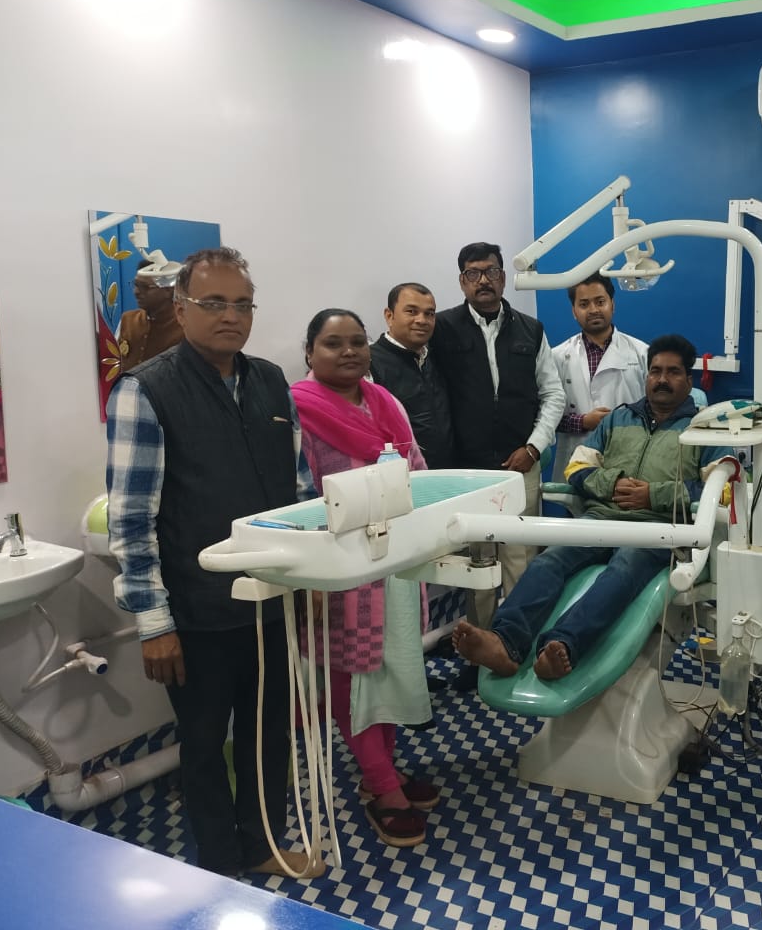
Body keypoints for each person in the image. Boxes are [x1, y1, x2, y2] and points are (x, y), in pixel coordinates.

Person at [106, 247, 324, 878]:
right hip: (196, 611)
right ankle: (220, 866)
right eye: (214, 303)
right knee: (203, 745)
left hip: (271, 598)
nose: (231, 316)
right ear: (181, 309)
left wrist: (309, 578)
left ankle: (263, 845)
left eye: (242, 304)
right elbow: (131, 518)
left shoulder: (271, 382)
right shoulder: (146, 390)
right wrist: (154, 623)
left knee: (270, 732)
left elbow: (300, 493)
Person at [452, 335, 729, 681]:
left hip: (659, 528)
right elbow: (578, 467)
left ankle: (563, 646)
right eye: (655, 371)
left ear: (689, 381)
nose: (662, 379)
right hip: (600, 519)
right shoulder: (618, 419)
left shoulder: (704, 430)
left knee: (623, 569)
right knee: (548, 560)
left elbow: (720, 489)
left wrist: (654, 495)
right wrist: (611, 485)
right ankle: (506, 642)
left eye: (673, 372)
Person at [292, 308, 438, 849]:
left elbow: (416, 468)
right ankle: (383, 787)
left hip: (395, 560)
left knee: (392, 667)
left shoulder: (385, 402)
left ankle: (383, 772)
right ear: (309, 351)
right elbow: (296, 495)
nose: (349, 351)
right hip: (339, 566)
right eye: (333, 343)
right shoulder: (297, 409)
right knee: (350, 674)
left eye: (357, 341)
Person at [430, 242, 566, 689]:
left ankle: (518, 648)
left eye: (491, 271)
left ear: (505, 277)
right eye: (473, 273)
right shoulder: (442, 329)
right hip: (469, 474)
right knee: (478, 567)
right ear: (462, 281)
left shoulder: (531, 329)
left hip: (520, 466)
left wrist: (534, 448)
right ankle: (479, 657)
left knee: (521, 562)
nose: (483, 281)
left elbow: (553, 395)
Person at [551, 271, 648, 481]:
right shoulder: (556, 357)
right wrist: (583, 422)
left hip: (630, 459)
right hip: (575, 463)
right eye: (584, 304)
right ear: (574, 311)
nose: (593, 310)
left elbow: (655, 411)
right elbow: (545, 416)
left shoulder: (642, 353)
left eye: (600, 301)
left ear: (612, 304)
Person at [368, 282, 454, 470]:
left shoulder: (436, 357)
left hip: (446, 472)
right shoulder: (369, 363)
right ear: (389, 316)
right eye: (411, 312)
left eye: (429, 314)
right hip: (402, 475)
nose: (422, 320)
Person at [116, 263, 184, 373]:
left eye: (145, 287)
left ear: (169, 290)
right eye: (136, 285)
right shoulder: (127, 319)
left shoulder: (185, 326)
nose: (136, 292)